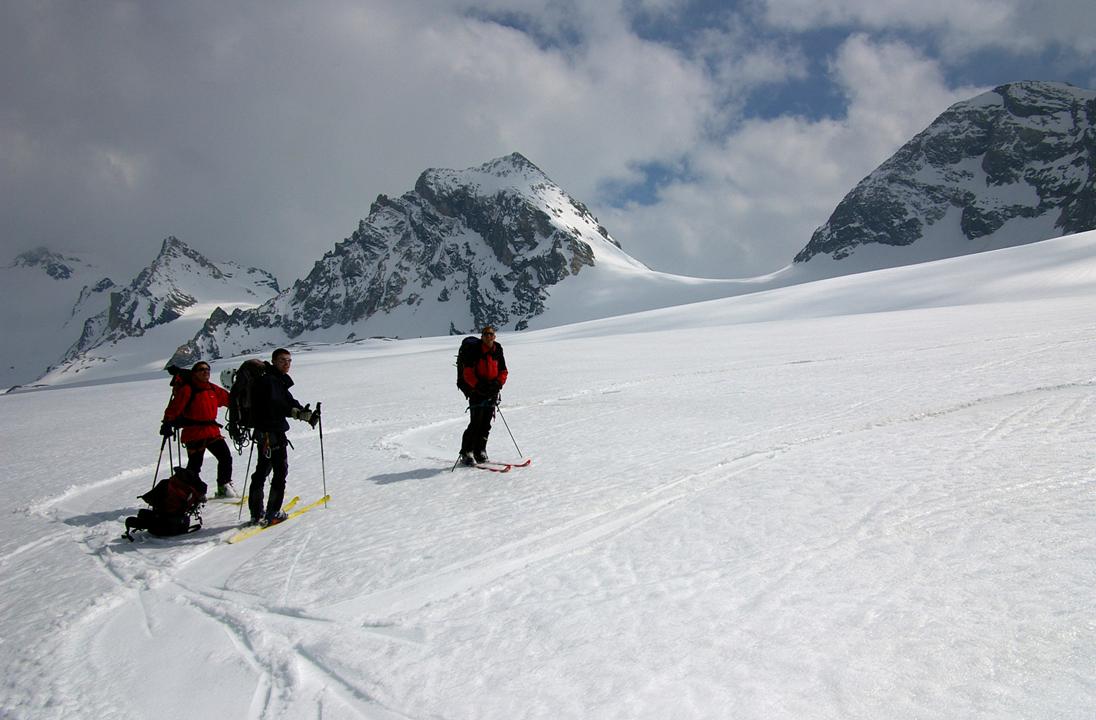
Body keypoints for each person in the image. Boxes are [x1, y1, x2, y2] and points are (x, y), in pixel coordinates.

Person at [247, 348, 319, 526]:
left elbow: (287, 401)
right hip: (273, 433)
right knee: (280, 471)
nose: (286, 363)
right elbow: (278, 405)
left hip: (263, 433)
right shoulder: (271, 381)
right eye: (282, 360)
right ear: (273, 362)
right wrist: (298, 413)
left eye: (289, 360)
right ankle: (272, 513)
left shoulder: (273, 380)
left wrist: (304, 412)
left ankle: (256, 513)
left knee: (261, 472)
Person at [161, 361, 234, 499]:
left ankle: (223, 486)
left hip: (211, 431)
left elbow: (229, 400)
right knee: (195, 465)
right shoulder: (188, 389)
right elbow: (175, 407)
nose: (205, 372)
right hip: (194, 433)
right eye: (201, 369)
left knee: (225, 457)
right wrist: (167, 423)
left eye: (207, 369)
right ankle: (191, 492)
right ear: (194, 373)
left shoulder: (212, 388)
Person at [459, 325, 508, 465]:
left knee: (486, 423)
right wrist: (478, 386)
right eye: (486, 334)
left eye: (491, 334)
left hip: (492, 391)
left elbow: (503, 371)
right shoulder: (474, 351)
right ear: (482, 336)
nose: (488, 337)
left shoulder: (497, 350)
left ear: (494, 336)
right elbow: (467, 373)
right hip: (477, 392)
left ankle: (480, 450)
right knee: (475, 423)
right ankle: (466, 452)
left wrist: (497, 384)